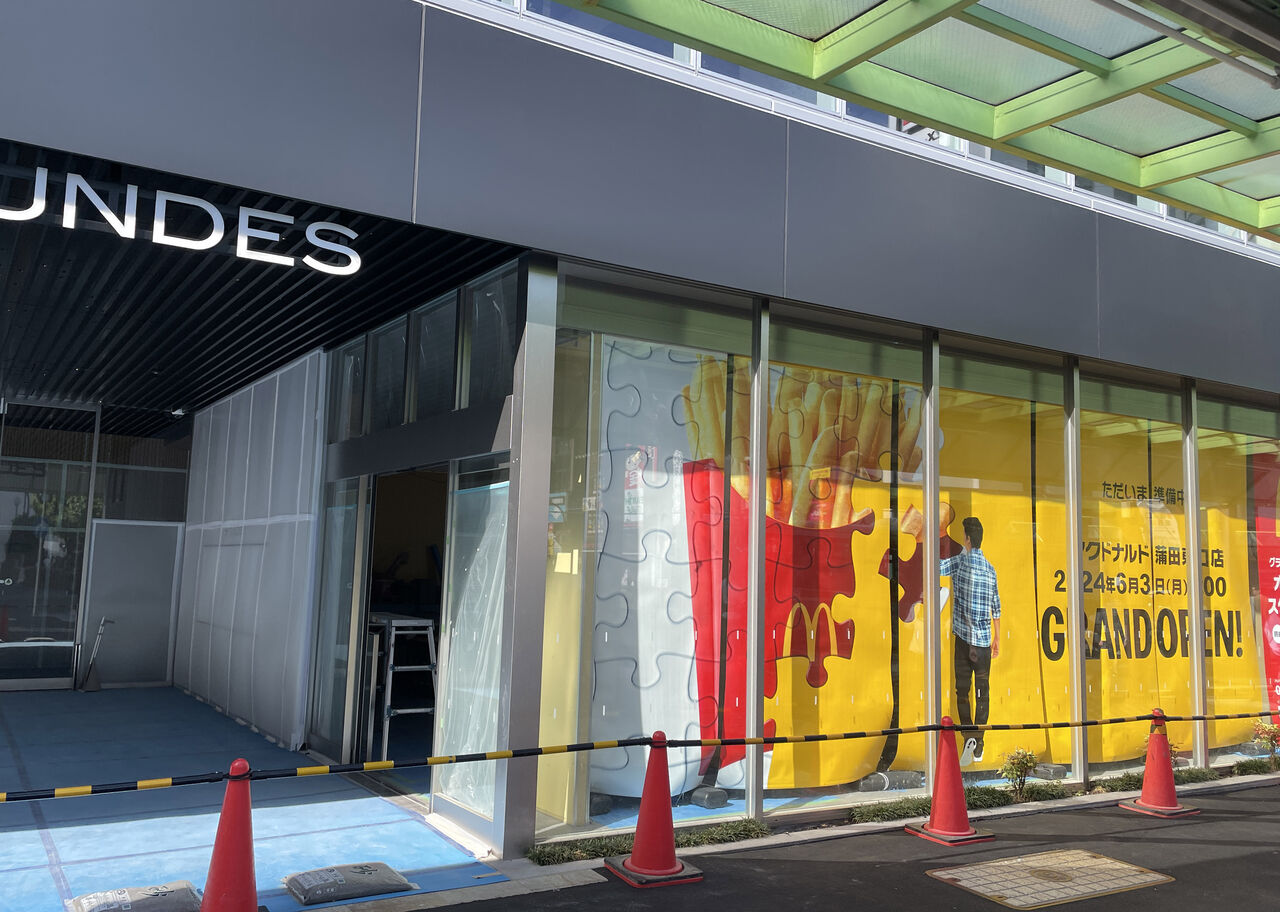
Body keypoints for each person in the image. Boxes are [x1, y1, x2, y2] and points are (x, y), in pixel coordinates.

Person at [940, 516, 1001, 766]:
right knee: (983, 692)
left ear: (967, 539)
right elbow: (996, 607)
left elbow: (937, 568)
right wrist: (997, 638)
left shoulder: (960, 562)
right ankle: (979, 743)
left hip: (964, 641)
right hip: (984, 642)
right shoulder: (990, 569)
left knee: (963, 691)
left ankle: (968, 738)